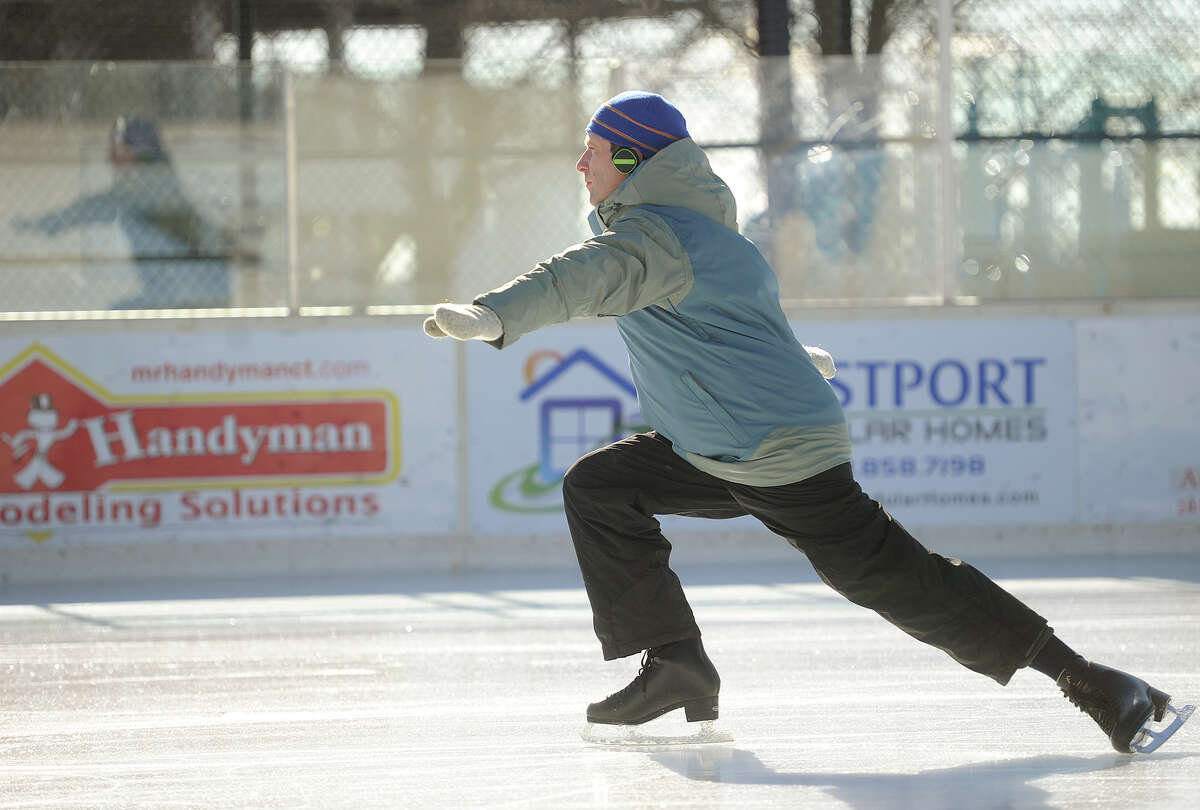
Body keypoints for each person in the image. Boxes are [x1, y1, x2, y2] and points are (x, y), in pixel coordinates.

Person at [422, 91, 1191, 753]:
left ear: (630, 160)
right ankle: (676, 663)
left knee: (896, 580)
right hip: (724, 445)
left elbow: (578, 280)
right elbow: (741, 322)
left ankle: (1093, 683)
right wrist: (795, 358)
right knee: (600, 485)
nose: (579, 168)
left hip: (769, 450)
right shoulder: (705, 236)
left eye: (591, 152)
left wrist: (496, 314)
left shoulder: (650, 239)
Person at [15, 115, 233, 310]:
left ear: (140, 153)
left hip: (186, 298)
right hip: (188, 294)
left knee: (111, 324)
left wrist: (45, 224)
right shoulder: (157, 182)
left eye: (119, 152)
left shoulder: (148, 186)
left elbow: (95, 207)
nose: (111, 160)